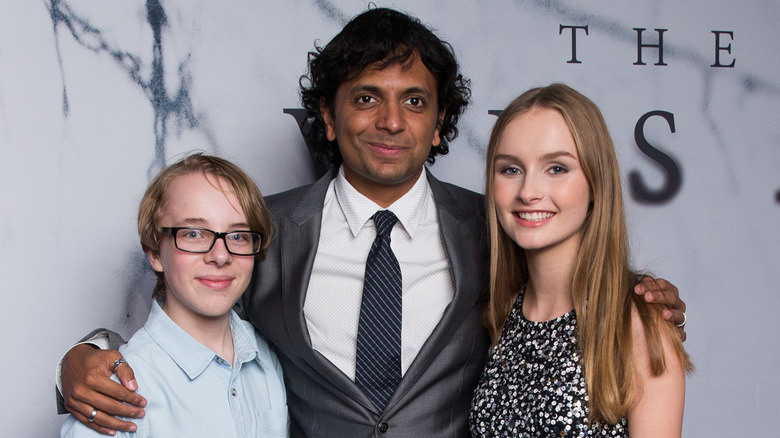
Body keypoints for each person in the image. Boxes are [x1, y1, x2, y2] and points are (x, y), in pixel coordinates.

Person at [58, 8, 687, 438]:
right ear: (327, 120)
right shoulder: (263, 230)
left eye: (414, 101)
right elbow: (191, 312)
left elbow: (586, 298)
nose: (391, 120)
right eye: (365, 97)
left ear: (440, 124)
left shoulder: (496, 228)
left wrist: (647, 300)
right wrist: (90, 354)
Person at [469, 84, 693, 437]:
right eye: (511, 169)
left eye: (556, 168)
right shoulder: (503, 314)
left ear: (595, 184)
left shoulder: (639, 325)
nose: (528, 191)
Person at [60, 154, 288, 437]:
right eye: (193, 234)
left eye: (239, 235)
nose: (220, 255)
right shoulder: (115, 393)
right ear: (155, 253)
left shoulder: (269, 355)